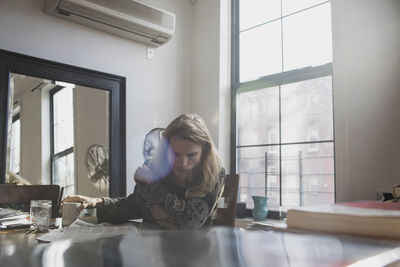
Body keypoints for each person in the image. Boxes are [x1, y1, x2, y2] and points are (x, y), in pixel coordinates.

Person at [63, 113, 226, 229]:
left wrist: (151, 185)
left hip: (197, 253)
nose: (182, 163)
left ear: (204, 151)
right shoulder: (154, 166)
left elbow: (189, 223)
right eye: (174, 154)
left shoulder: (214, 173)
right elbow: (136, 205)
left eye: (191, 155)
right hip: (153, 250)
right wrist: (97, 202)